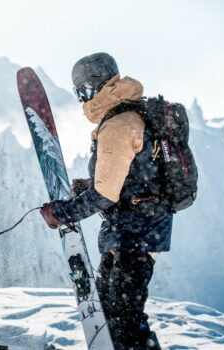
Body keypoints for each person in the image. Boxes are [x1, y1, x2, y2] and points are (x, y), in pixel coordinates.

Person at [40, 52, 173, 350]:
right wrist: (89, 186)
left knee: (121, 317)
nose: (81, 100)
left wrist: (63, 212)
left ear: (93, 87)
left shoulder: (119, 124)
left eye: (82, 92)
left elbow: (105, 195)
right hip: (138, 228)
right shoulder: (128, 115)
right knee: (115, 312)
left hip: (135, 232)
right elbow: (133, 176)